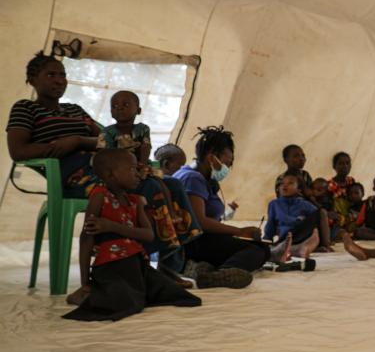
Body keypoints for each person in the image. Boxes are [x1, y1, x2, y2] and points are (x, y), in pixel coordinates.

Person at [63, 149, 201, 321]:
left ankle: (129, 292)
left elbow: (148, 235)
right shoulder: (99, 198)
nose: (137, 174)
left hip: (137, 266)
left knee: (178, 294)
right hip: (112, 267)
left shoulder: (136, 201)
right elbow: (86, 239)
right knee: (126, 302)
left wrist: (112, 226)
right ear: (110, 174)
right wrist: (85, 283)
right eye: (132, 169)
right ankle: (83, 296)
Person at [101, 91, 202, 277]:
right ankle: (166, 245)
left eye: (125, 105)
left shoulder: (142, 129)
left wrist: (140, 167)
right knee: (153, 188)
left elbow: (145, 150)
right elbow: (106, 158)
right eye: (114, 106)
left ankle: (176, 251)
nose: (119, 108)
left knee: (174, 184)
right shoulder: (108, 132)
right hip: (120, 177)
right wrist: (131, 170)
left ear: (138, 110)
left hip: (139, 170)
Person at [173, 127, 270, 289]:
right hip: (192, 243)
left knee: (259, 248)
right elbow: (200, 221)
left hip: (200, 240)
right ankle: (220, 274)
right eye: (227, 162)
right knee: (258, 250)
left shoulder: (199, 177)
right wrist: (239, 232)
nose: (227, 168)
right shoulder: (192, 178)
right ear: (212, 156)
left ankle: (205, 267)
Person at [7, 53, 103, 197]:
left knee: (144, 181)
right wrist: (57, 147)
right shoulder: (26, 107)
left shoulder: (75, 109)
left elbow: (107, 139)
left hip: (105, 166)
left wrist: (77, 141)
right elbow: (18, 151)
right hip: (76, 176)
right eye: (51, 75)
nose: (59, 81)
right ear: (33, 80)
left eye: (62, 75)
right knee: (128, 189)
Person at [262, 174, 326, 267]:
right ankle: (286, 252)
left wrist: (325, 243)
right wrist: (266, 242)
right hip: (285, 238)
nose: (285, 185)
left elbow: (317, 217)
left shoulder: (304, 204)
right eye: (282, 184)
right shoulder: (274, 204)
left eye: (290, 183)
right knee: (281, 245)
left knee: (315, 228)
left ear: (299, 190)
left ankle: (303, 250)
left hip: (302, 237)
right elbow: (270, 226)